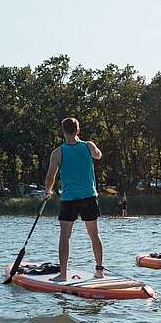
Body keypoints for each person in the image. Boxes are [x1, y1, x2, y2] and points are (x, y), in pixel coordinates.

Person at [44, 117, 104, 280]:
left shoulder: (58, 152)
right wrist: (93, 148)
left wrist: (47, 192)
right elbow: (98, 156)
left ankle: (63, 274)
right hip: (88, 197)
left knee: (65, 236)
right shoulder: (88, 146)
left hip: (69, 199)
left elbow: (50, 176)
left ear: (63, 131)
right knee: (94, 235)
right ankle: (99, 271)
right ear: (78, 130)